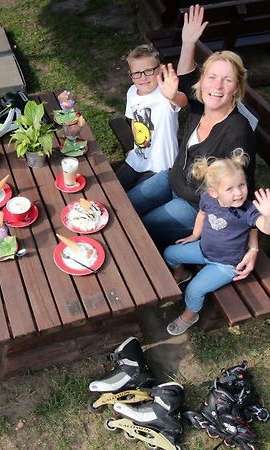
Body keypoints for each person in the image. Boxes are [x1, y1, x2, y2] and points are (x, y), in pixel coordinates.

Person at [127, 5, 258, 279]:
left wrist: (253, 246)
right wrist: (188, 42)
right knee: (125, 207)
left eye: (227, 80)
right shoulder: (203, 102)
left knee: (137, 229)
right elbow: (184, 82)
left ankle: (172, 270)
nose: (217, 86)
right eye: (211, 77)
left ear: (237, 88)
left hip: (195, 207)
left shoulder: (237, 132)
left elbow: (242, 191)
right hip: (172, 179)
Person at [163, 150, 270, 335]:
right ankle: (181, 274)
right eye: (230, 189)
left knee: (194, 290)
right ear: (214, 192)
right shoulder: (208, 199)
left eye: (242, 185)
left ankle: (190, 314)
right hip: (204, 249)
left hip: (226, 264)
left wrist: (267, 215)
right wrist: (195, 235)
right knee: (170, 253)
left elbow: (265, 228)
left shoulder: (248, 210)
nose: (238, 193)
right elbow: (202, 215)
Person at [115, 44, 188, 191]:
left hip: (161, 167)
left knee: (132, 200)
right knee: (113, 189)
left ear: (160, 69)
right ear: (131, 75)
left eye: (148, 71)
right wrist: (136, 147)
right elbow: (134, 120)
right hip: (137, 159)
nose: (143, 77)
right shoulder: (132, 92)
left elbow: (182, 101)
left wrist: (173, 95)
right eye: (137, 73)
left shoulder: (165, 95)